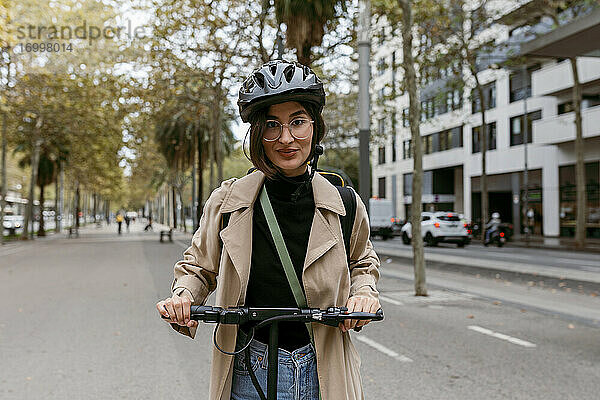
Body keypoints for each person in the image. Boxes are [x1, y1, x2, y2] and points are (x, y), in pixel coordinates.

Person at [156, 60, 381, 400]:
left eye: (298, 122)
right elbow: (198, 268)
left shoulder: (345, 203)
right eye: (272, 125)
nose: (286, 138)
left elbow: (362, 264)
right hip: (250, 363)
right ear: (258, 134)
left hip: (323, 363)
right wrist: (183, 297)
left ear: (315, 129)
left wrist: (363, 295)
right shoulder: (228, 202)